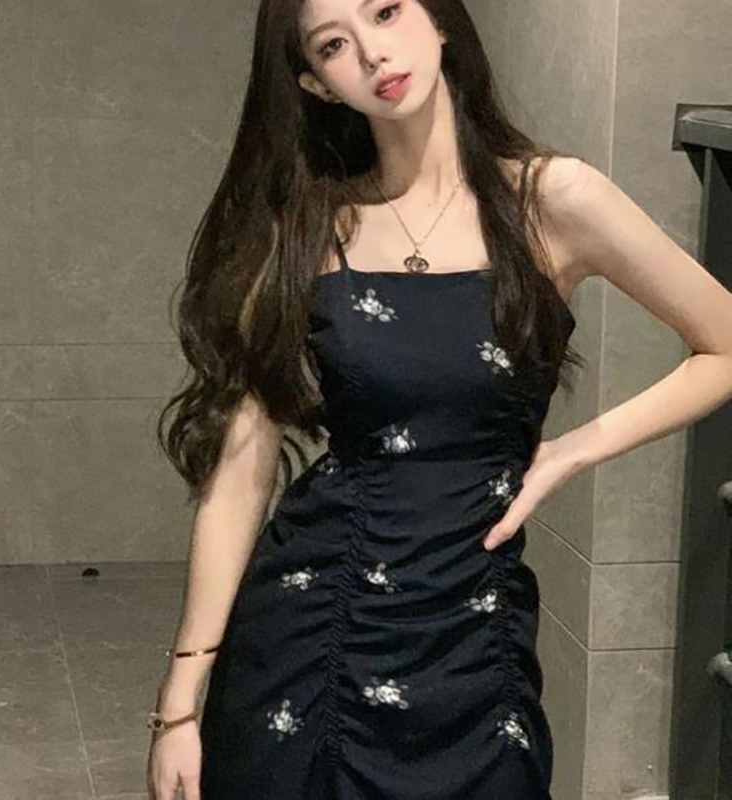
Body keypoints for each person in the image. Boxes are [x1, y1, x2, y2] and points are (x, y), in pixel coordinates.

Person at [145, 1, 732, 798]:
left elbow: (724, 343)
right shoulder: (312, 223)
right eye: (334, 44)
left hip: (472, 625)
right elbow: (242, 471)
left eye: (387, 11)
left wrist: (569, 452)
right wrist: (180, 701)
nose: (373, 52)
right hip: (315, 625)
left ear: (440, 19)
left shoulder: (553, 198)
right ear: (317, 84)